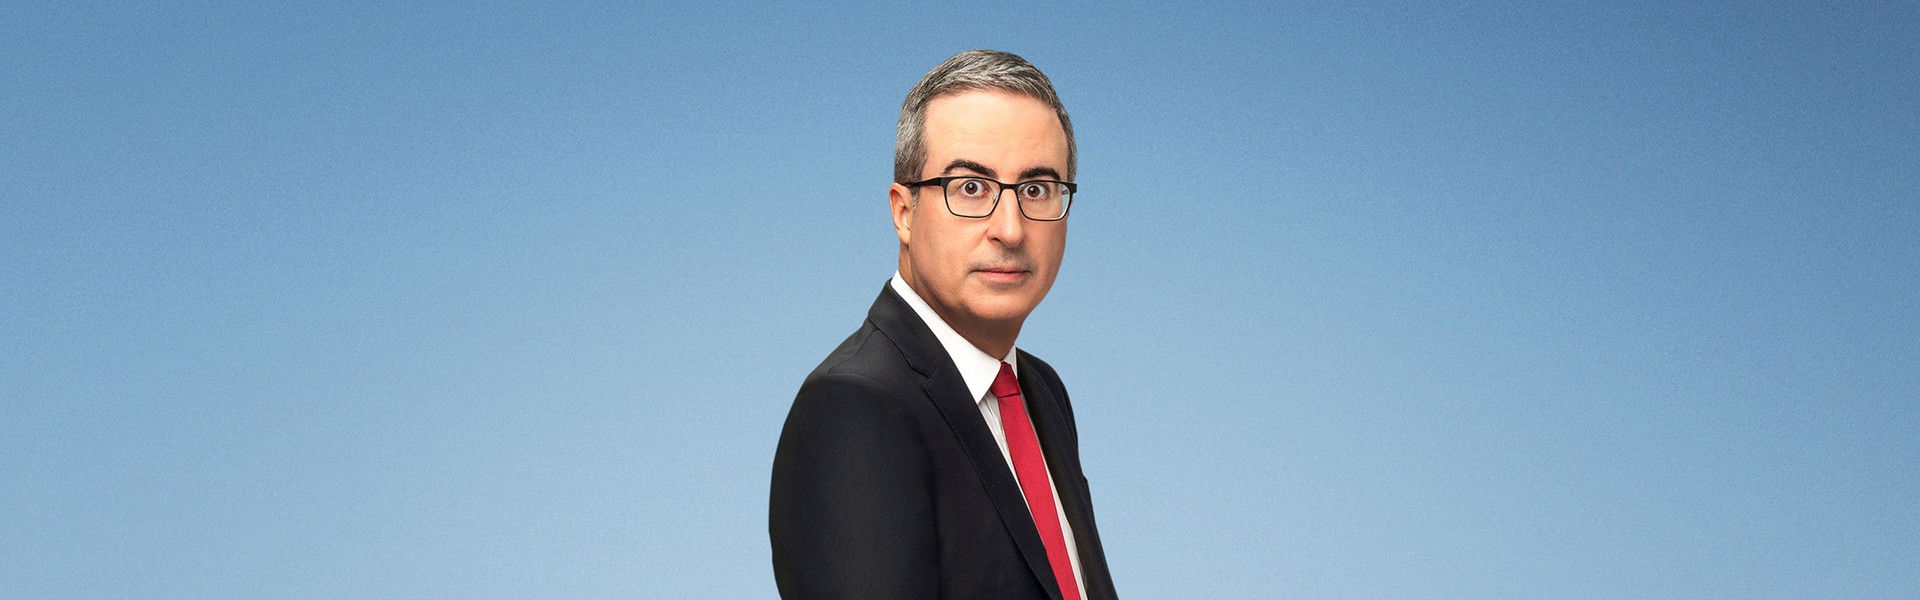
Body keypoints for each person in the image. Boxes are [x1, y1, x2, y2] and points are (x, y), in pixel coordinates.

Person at [769, 50, 1119, 600]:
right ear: (904, 212)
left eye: (1036, 189)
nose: (1010, 229)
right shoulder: (855, 405)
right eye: (971, 188)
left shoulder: (1039, 390)